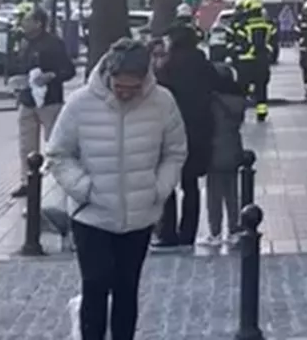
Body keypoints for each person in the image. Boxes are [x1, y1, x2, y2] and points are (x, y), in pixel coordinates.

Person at [45, 38, 188, 340]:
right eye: (119, 86)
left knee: (127, 288)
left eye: (133, 88)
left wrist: (158, 189)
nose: (125, 93)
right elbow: (58, 154)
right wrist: (83, 189)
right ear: (109, 75)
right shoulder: (80, 103)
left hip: (139, 215)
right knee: (95, 285)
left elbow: (175, 152)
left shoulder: (163, 102)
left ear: (145, 79)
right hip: (91, 215)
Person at [152, 23, 219, 249]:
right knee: (190, 185)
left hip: (171, 131)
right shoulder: (202, 63)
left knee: (168, 183)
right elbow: (220, 84)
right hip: (198, 130)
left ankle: (167, 231)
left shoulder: (167, 66)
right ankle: (188, 232)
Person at [9, 7, 75, 198]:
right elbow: (18, 67)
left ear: (38, 23)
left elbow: (68, 70)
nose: (24, 24)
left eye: (28, 20)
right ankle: (27, 181)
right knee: (26, 143)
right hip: (27, 99)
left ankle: (55, 180)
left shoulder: (54, 44)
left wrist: (51, 76)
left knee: (54, 142)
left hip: (49, 101)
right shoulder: (24, 43)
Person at [204, 66, 247, 245]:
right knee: (232, 194)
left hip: (214, 150)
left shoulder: (212, 101)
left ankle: (215, 232)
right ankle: (233, 228)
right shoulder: (239, 101)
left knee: (214, 195)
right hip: (234, 148)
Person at [221, 0, 277, 122]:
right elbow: (273, 41)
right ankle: (261, 113)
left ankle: (240, 113)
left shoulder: (243, 25)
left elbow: (239, 42)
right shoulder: (268, 24)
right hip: (262, 62)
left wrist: (233, 54)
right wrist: (267, 52)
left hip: (245, 62)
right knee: (261, 87)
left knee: (242, 89)